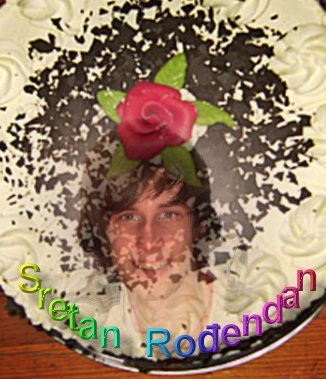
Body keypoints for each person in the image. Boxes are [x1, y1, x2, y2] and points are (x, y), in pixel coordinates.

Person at [79, 134, 222, 355]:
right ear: (103, 231)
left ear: (198, 225)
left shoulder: (250, 308)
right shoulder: (85, 318)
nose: (148, 242)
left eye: (168, 215)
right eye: (129, 217)